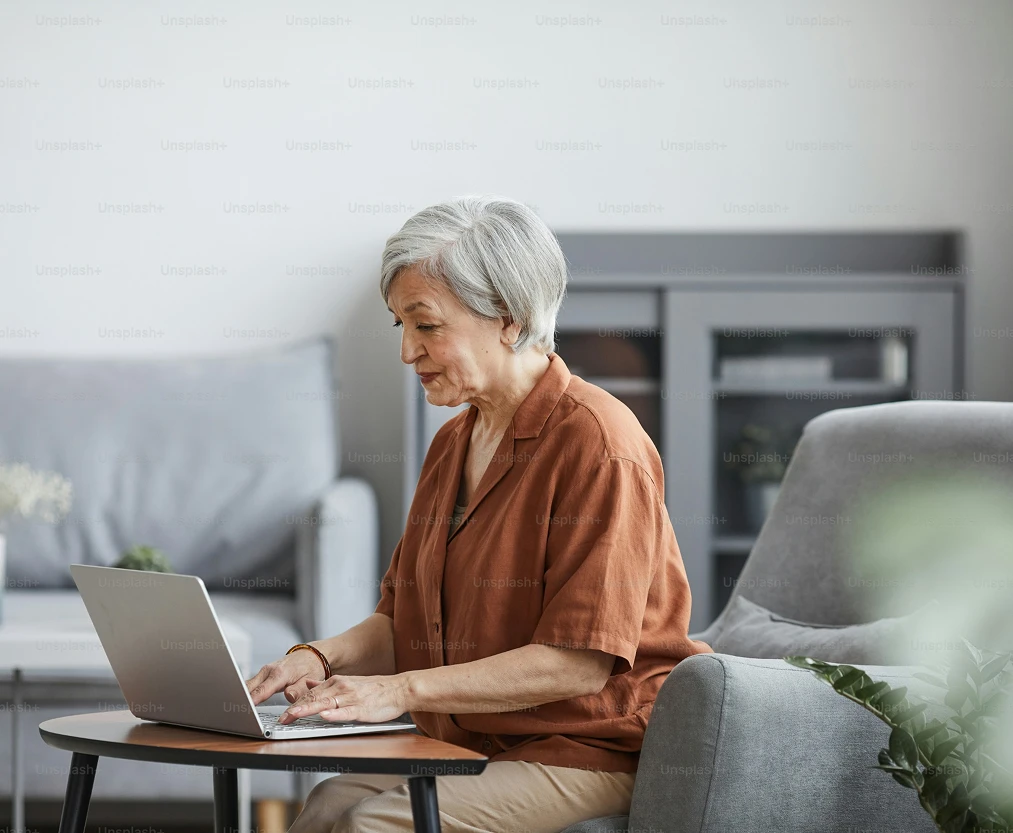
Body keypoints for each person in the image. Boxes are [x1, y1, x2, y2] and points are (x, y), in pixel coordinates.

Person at [246, 196, 712, 832]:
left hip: (588, 747)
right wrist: (317, 658)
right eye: (400, 325)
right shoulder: (452, 442)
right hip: (478, 740)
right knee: (328, 804)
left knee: (374, 824)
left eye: (427, 325)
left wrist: (400, 690)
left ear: (510, 321)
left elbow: (579, 663)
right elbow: (402, 621)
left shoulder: (599, 443)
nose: (407, 351)